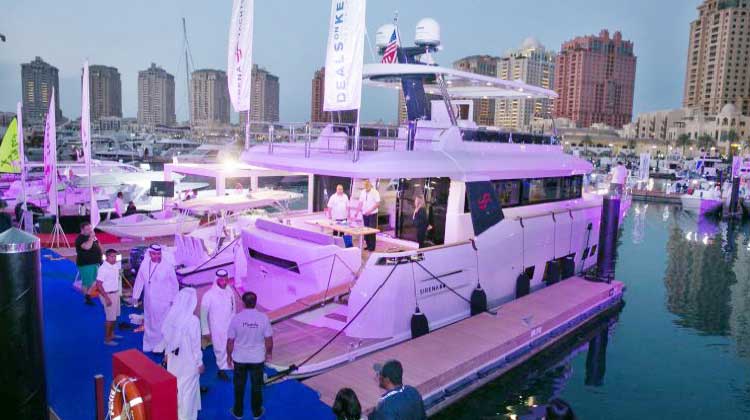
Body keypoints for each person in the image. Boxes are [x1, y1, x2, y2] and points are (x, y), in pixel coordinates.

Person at [157, 288, 203, 420]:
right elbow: (196, 346)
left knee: (176, 388)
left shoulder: (171, 317)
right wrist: (199, 363)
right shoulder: (193, 321)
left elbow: (166, 339)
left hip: (173, 361)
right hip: (189, 362)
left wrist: (166, 355)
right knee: (188, 391)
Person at [228, 292, 273, 420]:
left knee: (239, 386)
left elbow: (230, 341)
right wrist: (269, 353)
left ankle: (238, 412)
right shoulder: (263, 318)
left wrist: (228, 356)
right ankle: (257, 412)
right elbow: (269, 339)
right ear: (255, 302)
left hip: (239, 358)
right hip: (257, 359)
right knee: (256, 386)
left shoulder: (236, 318)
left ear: (243, 303)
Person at [131, 244, 179, 353]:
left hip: (164, 301)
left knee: (162, 323)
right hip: (149, 300)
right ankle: (150, 344)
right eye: (154, 254)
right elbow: (139, 280)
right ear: (150, 253)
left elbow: (174, 284)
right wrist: (135, 296)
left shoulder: (167, 266)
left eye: (159, 254)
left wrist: (174, 299)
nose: (157, 256)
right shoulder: (144, 264)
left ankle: (162, 345)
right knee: (149, 322)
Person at [200, 269, 237, 381]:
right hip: (217, 326)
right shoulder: (208, 295)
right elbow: (203, 315)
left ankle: (230, 363)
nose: (224, 282)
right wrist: (205, 331)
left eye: (225, 279)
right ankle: (222, 367)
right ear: (216, 280)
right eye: (221, 280)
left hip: (230, 324)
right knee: (220, 347)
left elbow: (233, 308)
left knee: (231, 345)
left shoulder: (230, 291)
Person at [92, 249, 123, 346]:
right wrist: (106, 298)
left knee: (115, 317)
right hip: (108, 295)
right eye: (112, 256)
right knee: (110, 318)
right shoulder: (103, 269)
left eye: (115, 256)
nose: (114, 258)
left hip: (115, 293)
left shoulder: (116, 265)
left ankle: (112, 334)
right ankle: (107, 339)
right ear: (107, 257)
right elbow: (98, 284)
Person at [75, 221, 103, 305]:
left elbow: (98, 245)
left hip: (95, 262)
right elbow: (87, 247)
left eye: (90, 228)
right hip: (86, 264)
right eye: (87, 229)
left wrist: (101, 253)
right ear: (82, 230)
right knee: (87, 282)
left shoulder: (92, 236)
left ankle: (88, 295)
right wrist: (91, 237)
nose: (90, 230)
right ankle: (86, 298)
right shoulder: (80, 239)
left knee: (96, 280)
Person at [359, 180, 380, 251]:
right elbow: (360, 202)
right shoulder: (363, 192)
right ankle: (368, 245)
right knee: (366, 230)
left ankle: (372, 247)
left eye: (367, 186)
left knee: (371, 230)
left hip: (372, 214)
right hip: (365, 214)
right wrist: (357, 212)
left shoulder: (375, 192)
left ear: (370, 185)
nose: (365, 188)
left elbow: (377, 204)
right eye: (364, 186)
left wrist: (370, 211)